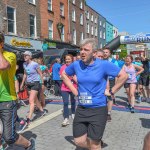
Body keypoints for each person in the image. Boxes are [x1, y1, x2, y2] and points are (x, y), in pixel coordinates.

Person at [61, 38, 128, 150]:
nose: (82, 52)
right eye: (81, 49)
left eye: (86, 50)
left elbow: (124, 75)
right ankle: (95, 144)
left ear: (94, 53)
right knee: (79, 141)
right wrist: (74, 90)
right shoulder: (76, 64)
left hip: (98, 109)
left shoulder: (103, 65)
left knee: (94, 145)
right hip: (82, 108)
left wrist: (111, 91)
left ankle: (96, 145)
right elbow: (64, 75)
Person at [0, 32, 35, 149]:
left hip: (7, 100)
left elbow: (3, 66)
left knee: (9, 137)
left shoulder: (10, 55)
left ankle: (29, 144)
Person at [19, 51, 46, 133]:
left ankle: (28, 119)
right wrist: (22, 84)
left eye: (26, 55)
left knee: (31, 101)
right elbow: (25, 74)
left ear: (30, 56)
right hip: (29, 84)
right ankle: (42, 111)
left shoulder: (34, 64)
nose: (25, 56)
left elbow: (40, 73)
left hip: (36, 84)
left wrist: (42, 83)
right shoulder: (24, 64)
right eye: (24, 55)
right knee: (34, 100)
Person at [60, 54, 77, 127]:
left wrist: (72, 77)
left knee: (73, 102)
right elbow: (61, 77)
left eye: (69, 59)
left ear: (72, 59)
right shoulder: (63, 67)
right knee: (66, 103)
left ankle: (73, 113)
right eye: (66, 59)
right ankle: (66, 118)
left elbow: (77, 77)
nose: (67, 60)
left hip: (73, 87)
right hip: (64, 88)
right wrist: (63, 77)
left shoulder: (75, 67)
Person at [103, 47, 120, 121]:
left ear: (109, 54)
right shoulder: (99, 60)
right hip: (102, 80)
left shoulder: (113, 61)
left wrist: (116, 84)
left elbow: (118, 73)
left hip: (111, 80)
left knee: (109, 96)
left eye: (106, 52)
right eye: (104, 52)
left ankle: (108, 113)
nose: (105, 53)